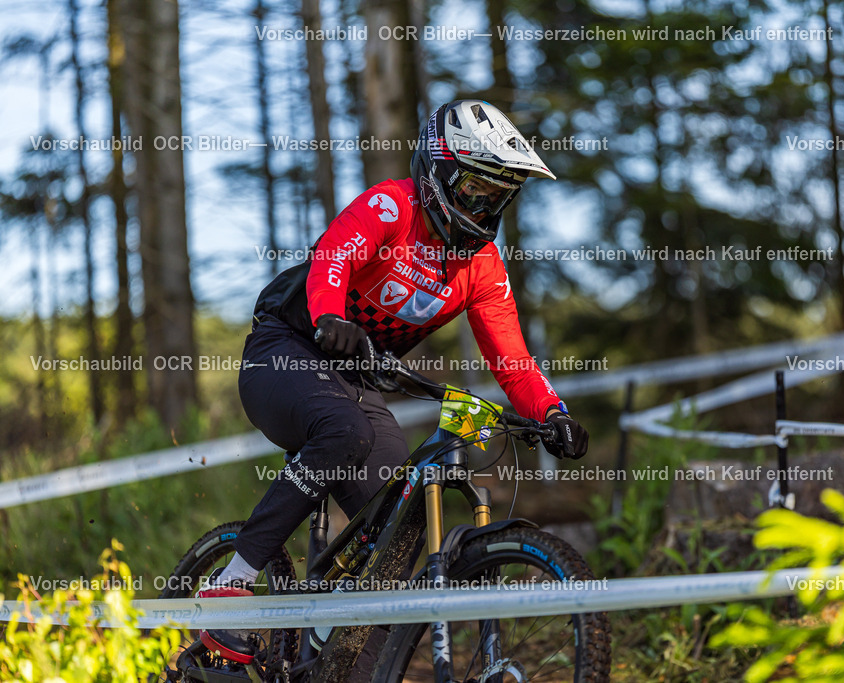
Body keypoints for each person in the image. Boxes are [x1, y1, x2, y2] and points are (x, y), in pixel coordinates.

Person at [195, 100, 590, 667]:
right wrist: (330, 315)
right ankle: (230, 583)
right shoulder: (392, 206)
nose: (484, 205)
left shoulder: (482, 267)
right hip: (285, 349)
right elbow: (333, 253)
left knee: (391, 515)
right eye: (475, 188)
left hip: (351, 376)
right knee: (345, 430)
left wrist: (552, 414)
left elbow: (514, 362)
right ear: (438, 172)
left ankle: (333, 654)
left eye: (497, 196)